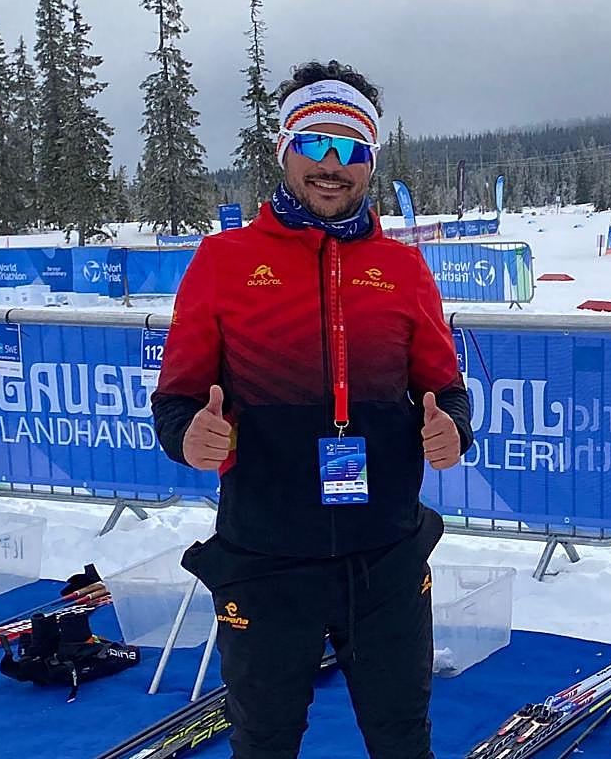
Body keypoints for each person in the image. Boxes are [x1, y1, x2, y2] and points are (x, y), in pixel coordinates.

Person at [152, 61, 472, 759]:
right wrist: (189, 437)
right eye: (315, 145)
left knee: (402, 739)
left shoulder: (404, 268)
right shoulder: (223, 260)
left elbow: (443, 389)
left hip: (386, 554)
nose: (333, 166)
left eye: (351, 149)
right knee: (264, 742)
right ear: (285, 151)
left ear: (370, 164)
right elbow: (177, 398)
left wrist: (453, 427)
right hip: (265, 556)